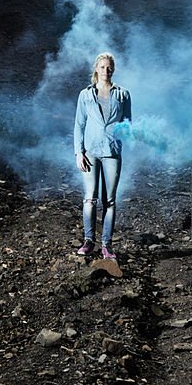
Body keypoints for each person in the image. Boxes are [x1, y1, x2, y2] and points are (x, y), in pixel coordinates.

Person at [73, 52, 131, 260]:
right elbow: (79, 125)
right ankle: (89, 241)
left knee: (110, 200)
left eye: (109, 67)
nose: (106, 70)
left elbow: (128, 123)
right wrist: (79, 152)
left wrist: (122, 134)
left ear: (113, 69)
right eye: (102, 67)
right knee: (90, 198)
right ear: (96, 69)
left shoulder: (123, 94)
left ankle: (107, 245)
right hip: (90, 152)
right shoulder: (85, 95)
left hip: (112, 152)